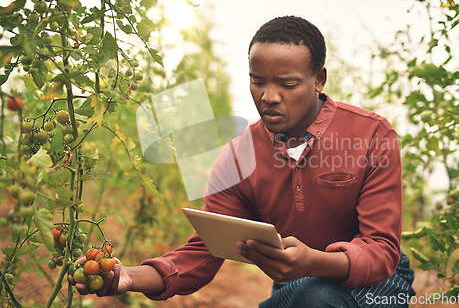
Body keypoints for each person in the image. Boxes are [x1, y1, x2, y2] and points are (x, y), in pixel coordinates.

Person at [70, 16, 416, 307]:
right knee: (308, 295)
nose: (269, 96)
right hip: (294, 287)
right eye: (257, 81)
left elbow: (381, 252)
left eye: (288, 83)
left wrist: (315, 261)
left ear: (319, 79)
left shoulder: (371, 136)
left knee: (317, 296)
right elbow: (202, 252)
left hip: (379, 285)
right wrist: (130, 276)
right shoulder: (237, 158)